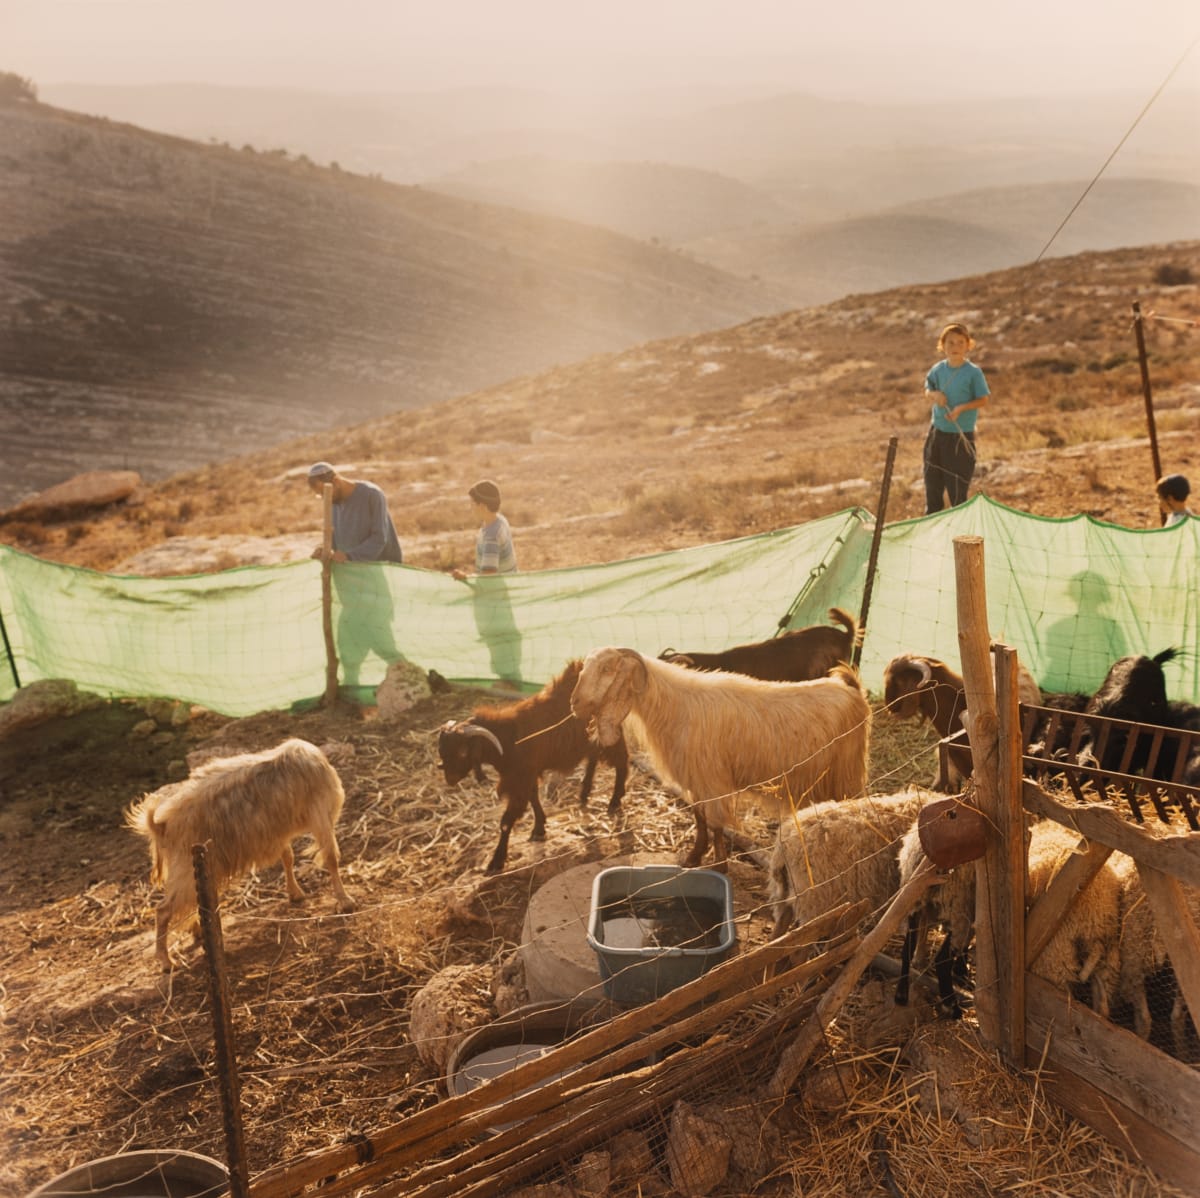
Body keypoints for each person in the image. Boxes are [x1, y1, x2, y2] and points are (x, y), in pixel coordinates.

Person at [923, 322, 990, 514]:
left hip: (960, 438)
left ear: (968, 346)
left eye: (960, 343)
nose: (955, 347)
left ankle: (960, 538)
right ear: (942, 346)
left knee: (958, 495)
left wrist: (961, 408)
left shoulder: (973, 372)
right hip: (936, 435)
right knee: (932, 489)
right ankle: (932, 536)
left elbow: (983, 399)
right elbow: (928, 389)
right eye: (950, 343)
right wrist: (934, 395)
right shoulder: (937, 369)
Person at [307, 461, 403, 563]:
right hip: (353, 569)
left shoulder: (372, 494)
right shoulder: (333, 502)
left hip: (380, 567)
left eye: (324, 492)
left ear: (336, 481)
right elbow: (335, 542)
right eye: (321, 495)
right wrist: (323, 550)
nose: (324, 497)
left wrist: (350, 556)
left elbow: (379, 537)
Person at [452, 479, 517, 580]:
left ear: (483, 507)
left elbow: (488, 580)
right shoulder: (500, 520)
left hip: (497, 593)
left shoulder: (491, 536)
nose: (471, 507)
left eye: (472, 503)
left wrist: (465, 578)